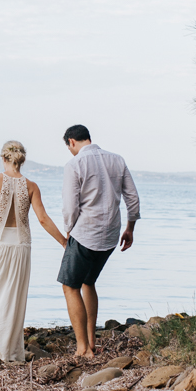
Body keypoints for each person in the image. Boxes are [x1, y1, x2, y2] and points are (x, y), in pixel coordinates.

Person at [0, 140, 67, 363]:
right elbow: (43, 219)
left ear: (4, 158)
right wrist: (64, 242)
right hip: (21, 246)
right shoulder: (32, 186)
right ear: (21, 160)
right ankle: (10, 352)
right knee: (14, 298)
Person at [58, 125, 140, 358]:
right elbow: (132, 198)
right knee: (88, 282)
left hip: (85, 233)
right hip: (111, 235)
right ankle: (92, 341)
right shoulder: (117, 159)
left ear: (71, 142)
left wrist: (68, 230)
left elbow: (70, 206)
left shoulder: (74, 164)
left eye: (68, 147)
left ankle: (83, 348)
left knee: (70, 286)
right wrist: (130, 228)